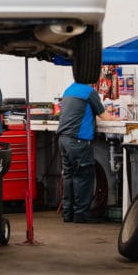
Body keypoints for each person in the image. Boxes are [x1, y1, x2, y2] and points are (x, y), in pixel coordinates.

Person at [56, 81, 117, 224]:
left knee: (69, 176)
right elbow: (105, 116)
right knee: (83, 176)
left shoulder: (68, 89)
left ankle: (68, 214)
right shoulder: (88, 92)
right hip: (78, 140)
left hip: (63, 140)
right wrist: (116, 118)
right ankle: (81, 214)